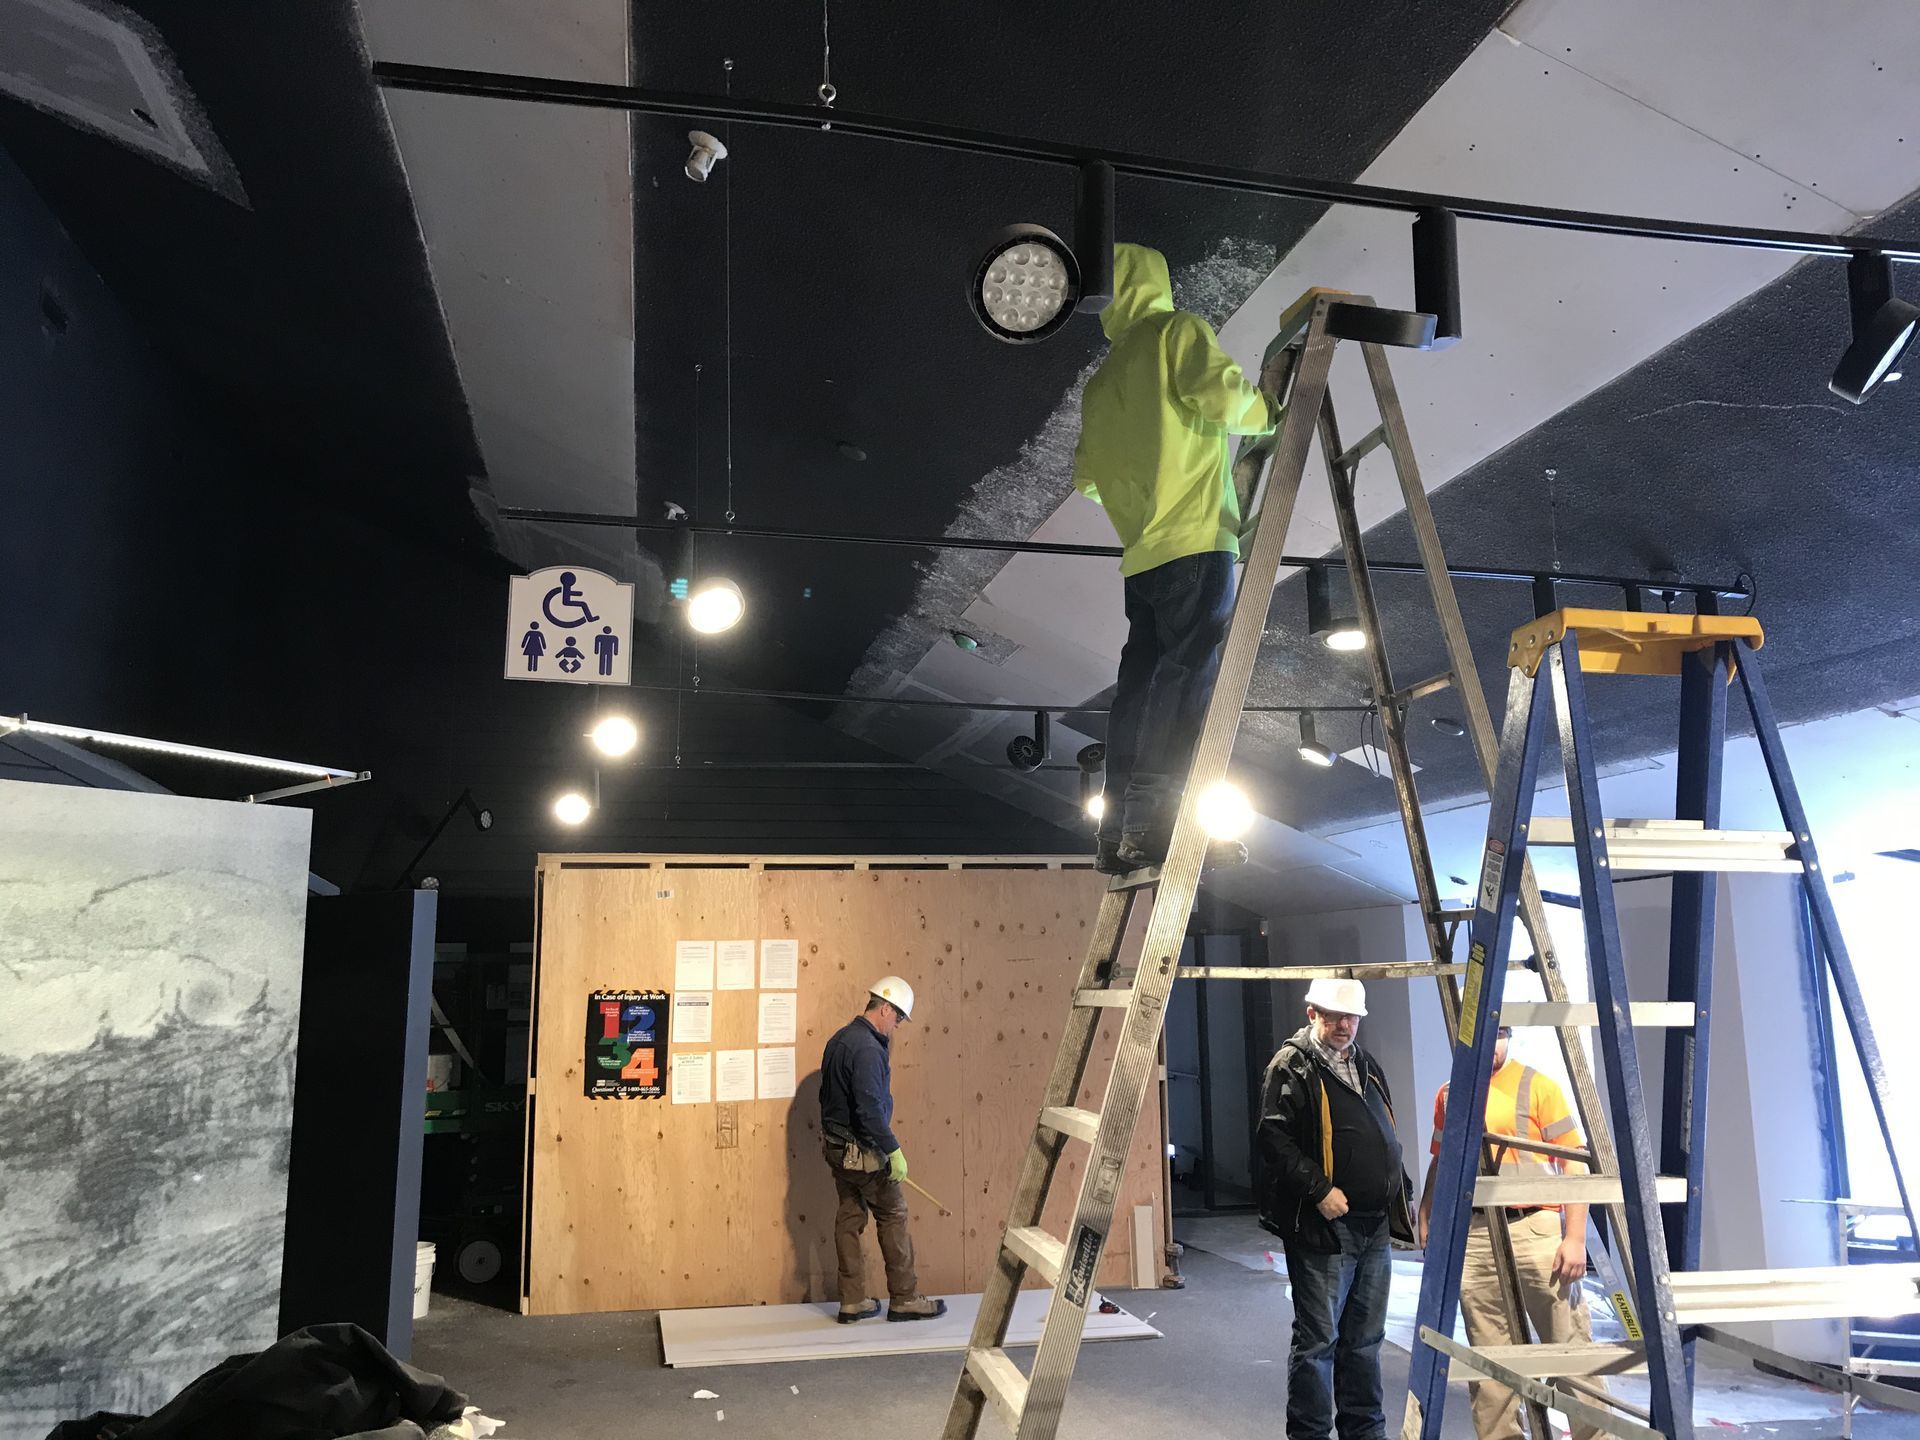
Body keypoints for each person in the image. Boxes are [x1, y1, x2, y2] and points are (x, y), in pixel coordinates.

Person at [1071, 242, 1281, 873]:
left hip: (1143, 559)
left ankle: (1117, 834)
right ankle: (1159, 826)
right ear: (1154, 282)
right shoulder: (1175, 330)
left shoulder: (1103, 380)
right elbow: (1223, 401)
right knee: (1186, 685)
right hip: (1196, 541)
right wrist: (1268, 410)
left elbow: (1086, 478)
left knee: (1138, 689)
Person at [1418, 1026, 1599, 1440]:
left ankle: (1596, 1435)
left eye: (1500, 1035)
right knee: (1491, 1360)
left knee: (1569, 1347)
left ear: (1509, 1037)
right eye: (1486, 1033)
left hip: (1535, 1230)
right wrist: (1429, 1211)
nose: (1492, 1044)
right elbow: (1441, 1159)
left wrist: (1574, 1237)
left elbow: (1574, 1163)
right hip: (1477, 1233)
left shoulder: (1538, 1086)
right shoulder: (1450, 1094)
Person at [1256, 978, 1415, 1440]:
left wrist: (1396, 1191)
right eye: (1334, 1016)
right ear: (1312, 1014)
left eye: (1351, 1017)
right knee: (1319, 1342)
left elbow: (1384, 1130)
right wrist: (1320, 1189)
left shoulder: (1362, 1062)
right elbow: (1274, 1139)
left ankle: (1365, 1433)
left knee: (1365, 1342)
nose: (1344, 1025)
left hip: (1373, 1226)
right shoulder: (1292, 1065)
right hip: (1326, 1226)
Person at [818, 976, 946, 1323]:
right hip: (863, 1153)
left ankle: (852, 1301)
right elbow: (869, 1110)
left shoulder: (840, 1040)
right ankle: (904, 1298)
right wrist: (892, 1150)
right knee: (893, 1214)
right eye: (899, 1018)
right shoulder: (868, 1049)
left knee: (849, 1216)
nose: (898, 1026)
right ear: (885, 1008)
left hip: (837, 1148)